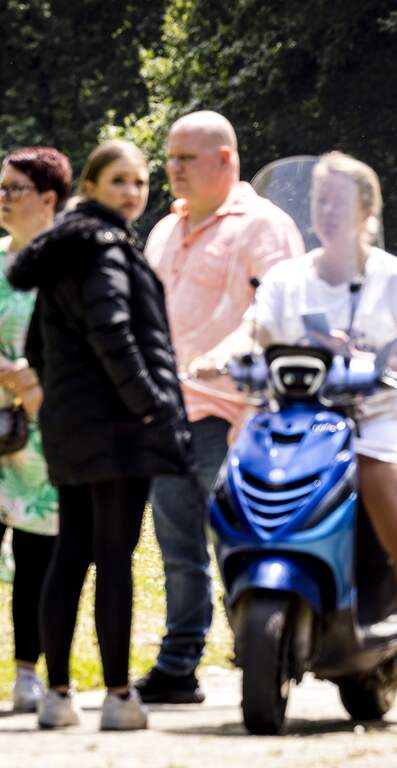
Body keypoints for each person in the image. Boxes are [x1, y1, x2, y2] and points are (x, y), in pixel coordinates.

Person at [193, 151, 397, 734]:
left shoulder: (396, 278)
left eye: (338, 199)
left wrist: (381, 363)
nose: (326, 210)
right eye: (318, 199)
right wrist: (223, 355)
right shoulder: (290, 277)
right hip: (299, 420)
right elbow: (254, 327)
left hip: (379, 418)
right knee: (230, 495)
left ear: (366, 209)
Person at [7, 140, 194, 730]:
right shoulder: (106, 245)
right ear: (89, 187)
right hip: (117, 429)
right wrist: (151, 406)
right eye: (118, 181)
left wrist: (63, 399)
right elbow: (114, 330)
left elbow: (39, 343)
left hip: (67, 427)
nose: (132, 193)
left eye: (139, 182)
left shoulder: (62, 248)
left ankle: (58, 696)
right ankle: (117, 697)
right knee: (114, 558)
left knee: (70, 554)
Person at [137, 111, 304, 704]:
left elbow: (276, 314)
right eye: (171, 157)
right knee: (177, 547)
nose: (172, 169)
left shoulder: (263, 226)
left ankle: (257, 653)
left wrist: (225, 357)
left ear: (226, 160)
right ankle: (180, 665)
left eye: (187, 158)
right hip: (165, 412)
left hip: (233, 415)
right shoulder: (163, 229)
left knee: (237, 542)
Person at [0, 147, 71, 712]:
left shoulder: (69, 264)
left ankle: (30, 674)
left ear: (49, 198)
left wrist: (38, 380)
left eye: (14, 188)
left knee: (36, 557)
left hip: (46, 435)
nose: (2, 198)